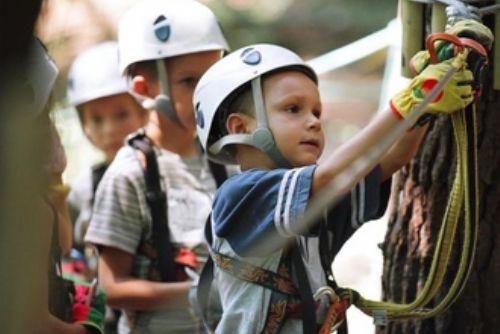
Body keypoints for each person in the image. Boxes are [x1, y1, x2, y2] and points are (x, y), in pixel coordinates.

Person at [192, 43, 474, 333]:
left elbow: (392, 160)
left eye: (316, 112)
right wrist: (413, 99)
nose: (314, 122)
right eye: (293, 109)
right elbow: (329, 176)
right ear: (240, 129)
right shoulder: (240, 195)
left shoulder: (310, 205)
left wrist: (424, 108)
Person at [84, 0, 230, 333]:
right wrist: (200, 294)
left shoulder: (225, 158)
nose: (206, 92)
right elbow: (112, 286)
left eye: (213, 76)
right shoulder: (129, 174)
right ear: (143, 89)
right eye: (190, 81)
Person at [21, 36, 106, 334]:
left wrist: (54, 180)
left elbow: (61, 244)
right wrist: (89, 327)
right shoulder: (24, 209)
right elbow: (33, 324)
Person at [66, 40, 148, 253]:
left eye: (122, 115)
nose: (110, 130)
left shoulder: (167, 171)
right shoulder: (82, 190)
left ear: (144, 111)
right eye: (97, 119)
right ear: (84, 125)